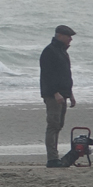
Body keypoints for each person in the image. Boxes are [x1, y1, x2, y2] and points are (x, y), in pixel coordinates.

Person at [39, 26, 76, 168]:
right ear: (60, 36)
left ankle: (55, 156)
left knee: (59, 125)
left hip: (63, 94)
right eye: (68, 36)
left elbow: (66, 75)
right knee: (53, 125)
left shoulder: (63, 52)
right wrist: (55, 93)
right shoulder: (49, 51)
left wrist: (70, 94)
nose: (70, 39)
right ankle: (52, 159)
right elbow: (47, 75)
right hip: (53, 95)